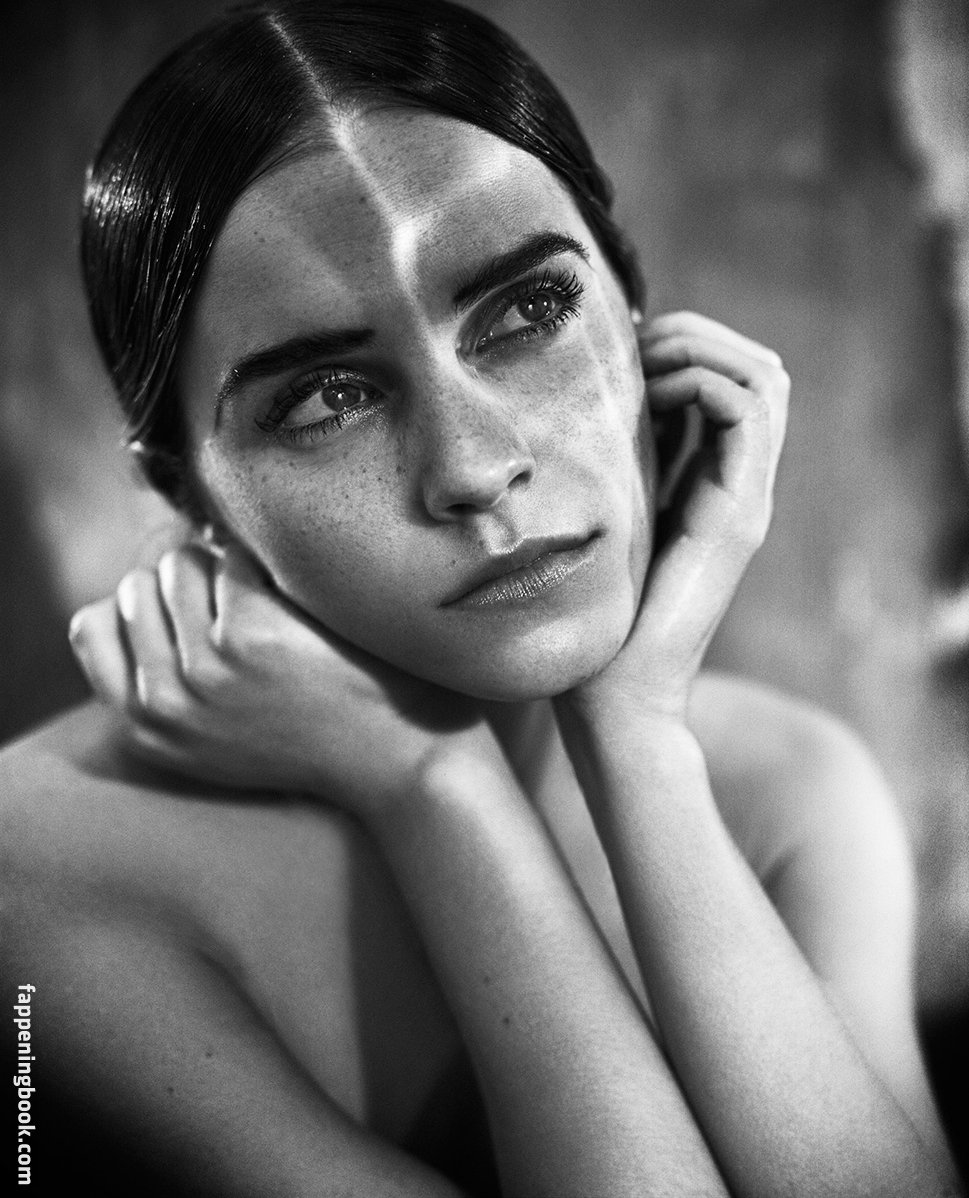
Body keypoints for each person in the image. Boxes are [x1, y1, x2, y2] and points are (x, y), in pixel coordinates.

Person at [0, 1, 960, 1194]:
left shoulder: (789, 791)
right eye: (325, 399)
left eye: (529, 312)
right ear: (188, 492)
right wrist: (435, 784)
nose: (471, 466)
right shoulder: (39, 857)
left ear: (635, 314)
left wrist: (635, 740)